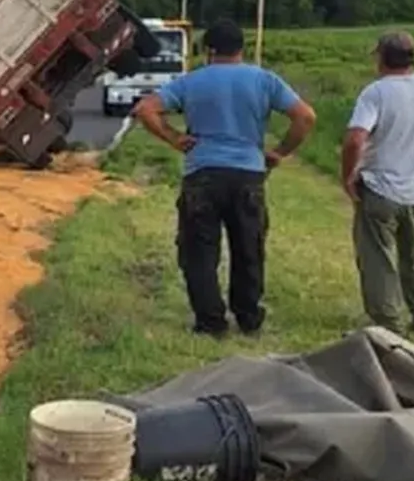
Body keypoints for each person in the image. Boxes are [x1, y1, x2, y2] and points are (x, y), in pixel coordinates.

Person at [133, 21, 317, 338]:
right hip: (248, 173)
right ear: (241, 49)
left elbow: (146, 109)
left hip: (202, 173)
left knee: (199, 252)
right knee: (248, 248)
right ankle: (248, 317)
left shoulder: (192, 81)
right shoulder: (264, 80)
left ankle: (211, 321)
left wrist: (174, 138)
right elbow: (305, 116)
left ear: (209, 50)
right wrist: (279, 152)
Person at [341, 31, 414, 335]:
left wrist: (348, 174)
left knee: (377, 258)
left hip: (381, 187)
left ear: (382, 57)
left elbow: (355, 138)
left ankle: (388, 323)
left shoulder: (376, 92)